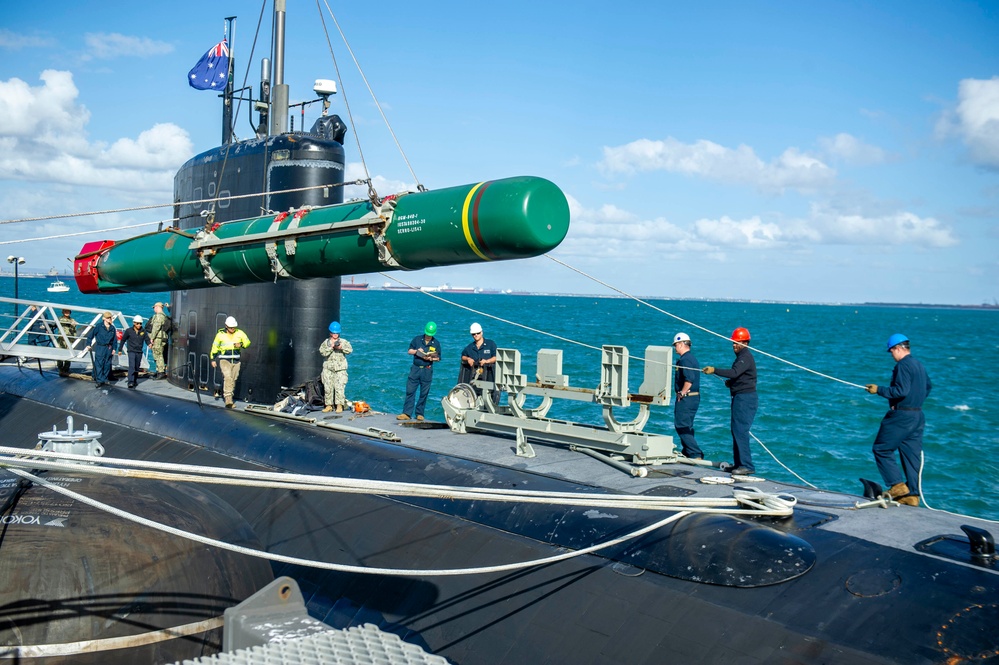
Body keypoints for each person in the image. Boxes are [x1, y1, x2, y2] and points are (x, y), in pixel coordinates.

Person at [865, 334, 932, 507]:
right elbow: (928, 387)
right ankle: (913, 495)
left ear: (898, 348)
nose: (891, 355)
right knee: (911, 455)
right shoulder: (919, 365)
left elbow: (900, 391)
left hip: (901, 416)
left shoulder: (902, 365)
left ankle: (897, 485)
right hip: (917, 416)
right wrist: (914, 401)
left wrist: (879, 390)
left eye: (891, 351)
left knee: (881, 448)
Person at [704, 327, 757, 475]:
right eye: (733, 342)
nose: (734, 345)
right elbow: (741, 377)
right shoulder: (741, 357)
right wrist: (732, 384)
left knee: (741, 431)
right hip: (740, 397)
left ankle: (747, 465)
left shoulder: (745, 356)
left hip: (746, 399)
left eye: (737, 342)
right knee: (736, 430)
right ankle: (739, 464)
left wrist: (714, 370)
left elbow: (734, 373)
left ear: (745, 342)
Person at [398, 321, 442, 421]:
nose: (428, 336)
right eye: (427, 334)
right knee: (410, 391)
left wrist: (431, 358)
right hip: (416, 368)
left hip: (427, 370)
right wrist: (418, 352)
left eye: (430, 335)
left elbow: (438, 358)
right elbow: (409, 351)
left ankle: (419, 413)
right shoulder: (417, 339)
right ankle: (406, 413)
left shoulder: (436, 343)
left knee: (424, 393)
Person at [672, 332, 702, 460]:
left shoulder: (686, 359)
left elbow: (689, 379)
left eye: (675, 345)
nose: (674, 348)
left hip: (687, 398)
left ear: (681, 344)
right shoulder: (689, 358)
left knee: (681, 425)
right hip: (692, 398)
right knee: (687, 425)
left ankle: (695, 453)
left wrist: (682, 393)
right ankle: (687, 451)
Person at [210, 315, 251, 408]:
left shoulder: (240, 333)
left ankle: (230, 396)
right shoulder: (220, 335)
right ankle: (228, 400)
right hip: (224, 360)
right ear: (226, 326)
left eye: (234, 327)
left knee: (233, 379)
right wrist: (213, 359)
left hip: (236, 361)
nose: (233, 329)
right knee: (228, 377)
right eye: (231, 327)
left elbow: (248, 342)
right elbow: (215, 347)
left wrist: (240, 344)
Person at [319, 321, 353, 413]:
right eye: (333, 333)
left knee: (339, 388)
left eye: (337, 333)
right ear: (330, 333)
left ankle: (339, 405)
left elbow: (350, 350)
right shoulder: (326, 343)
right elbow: (322, 352)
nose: (335, 335)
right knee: (328, 388)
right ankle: (329, 405)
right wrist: (331, 347)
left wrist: (341, 347)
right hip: (328, 369)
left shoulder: (343, 342)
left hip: (340, 369)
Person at [460, 322, 498, 390]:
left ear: (481, 332)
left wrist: (487, 361)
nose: (476, 335)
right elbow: (463, 356)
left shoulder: (490, 344)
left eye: (478, 333)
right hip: (474, 380)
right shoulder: (470, 347)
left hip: (489, 378)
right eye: (474, 334)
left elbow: (496, 357)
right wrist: (468, 359)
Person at [85, 311, 118, 387]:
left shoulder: (112, 328)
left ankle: (105, 378)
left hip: (108, 348)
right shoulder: (99, 327)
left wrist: (114, 348)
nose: (110, 319)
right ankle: (99, 379)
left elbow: (114, 340)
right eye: (108, 318)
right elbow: (90, 336)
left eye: (110, 318)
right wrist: (88, 344)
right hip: (100, 347)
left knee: (107, 364)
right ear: (104, 319)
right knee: (99, 363)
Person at [119, 315, 150, 389]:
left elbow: (147, 339)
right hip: (131, 351)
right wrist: (120, 349)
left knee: (137, 366)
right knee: (132, 366)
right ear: (134, 323)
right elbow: (123, 340)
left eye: (140, 323)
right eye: (137, 323)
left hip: (139, 351)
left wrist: (149, 344)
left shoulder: (143, 331)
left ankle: (135, 380)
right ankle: (130, 381)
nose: (139, 325)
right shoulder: (129, 331)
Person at [148, 302, 171, 379]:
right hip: (161, 338)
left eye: (154, 307)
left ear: (157, 307)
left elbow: (156, 327)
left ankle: (161, 372)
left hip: (158, 338)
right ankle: (158, 371)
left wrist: (152, 338)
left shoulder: (159, 316)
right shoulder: (164, 316)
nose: (154, 309)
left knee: (158, 354)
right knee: (157, 354)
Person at [55, 308, 77, 376]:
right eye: (65, 311)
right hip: (62, 339)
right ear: (63, 312)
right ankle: (60, 367)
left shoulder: (72, 320)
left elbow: (74, 330)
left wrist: (73, 324)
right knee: (61, 353)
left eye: (68, 311)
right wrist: (71, 323)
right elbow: (61, 321)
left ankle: (66, 368)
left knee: (69, 353)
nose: (67, 313)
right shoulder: (60, 319)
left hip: (69, 339)